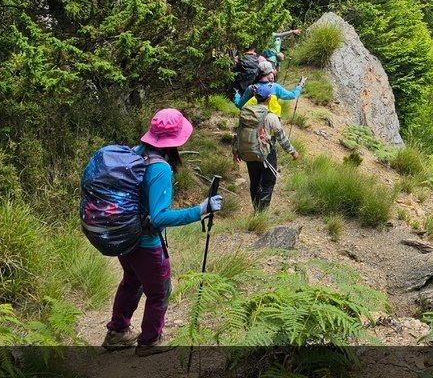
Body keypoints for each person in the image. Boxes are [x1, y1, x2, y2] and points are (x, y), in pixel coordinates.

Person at [102, 109, 222, 356]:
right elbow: (159, 217)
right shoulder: (160, 169)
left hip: (125, 237)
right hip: (146, 242)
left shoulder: (135, 154)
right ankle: (149, 341)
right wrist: (200, 209)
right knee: (159, 291)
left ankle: (117, 332)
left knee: (132, 281)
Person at [232, 83, 299, 211]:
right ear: (269, 99)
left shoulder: (246, 115)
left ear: (256, 97)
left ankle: (256, 210)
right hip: (267, 155)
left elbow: (238, 134)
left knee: (255, 183)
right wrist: (293, 152)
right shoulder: (271, 117)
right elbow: (281, 138)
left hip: (249, 153)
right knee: (268, 183)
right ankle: (262, 214)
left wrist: (235, 154)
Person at [234, 66, 306, 116]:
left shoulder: (252, 88)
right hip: (271, 119)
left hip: (254, 120)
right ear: (268, 73)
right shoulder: (276, 87)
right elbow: (292, 95)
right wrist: (301, 84)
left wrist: (237, 94)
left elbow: (239, 105)